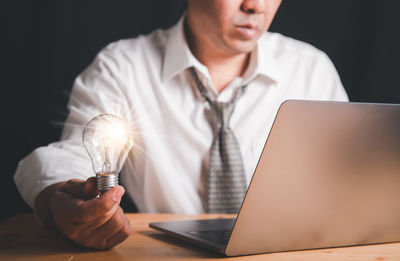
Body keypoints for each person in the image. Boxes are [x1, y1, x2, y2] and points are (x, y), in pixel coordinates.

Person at [14, 0, 348, 250]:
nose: (255, 6)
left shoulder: (310, 69)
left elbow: (349, 174)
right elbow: (70, 158)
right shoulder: (123, 67)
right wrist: (59, 200)